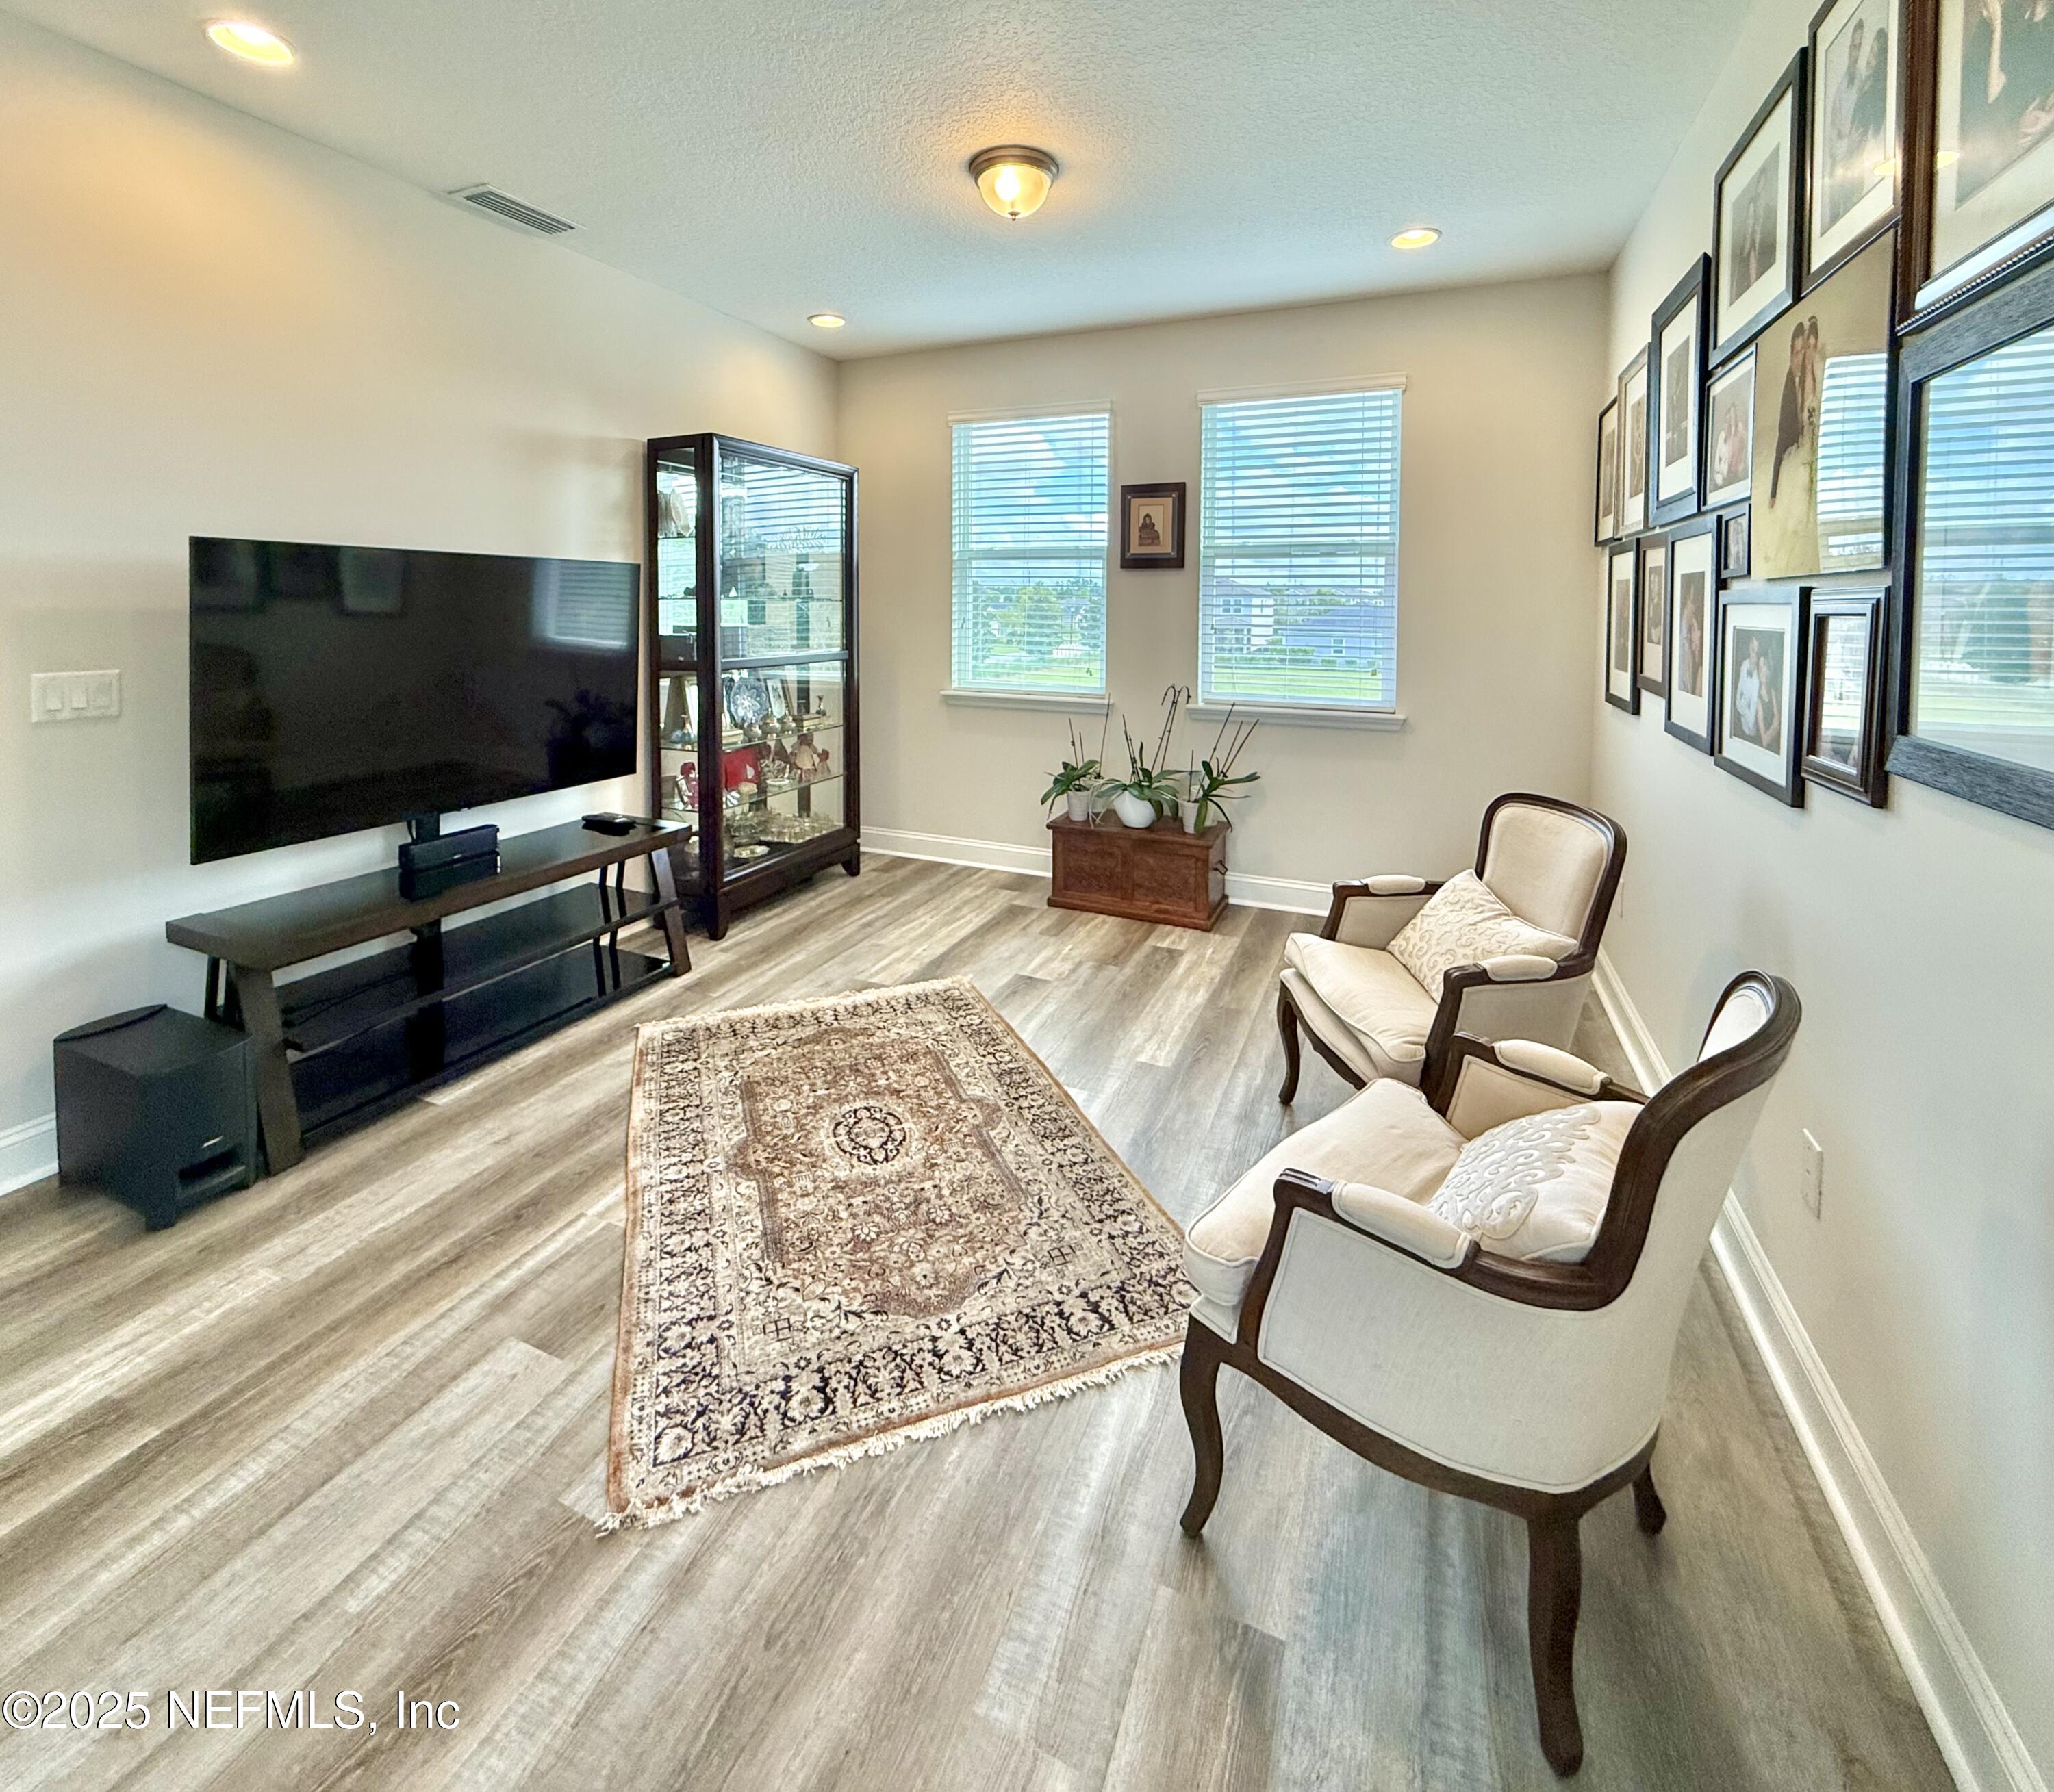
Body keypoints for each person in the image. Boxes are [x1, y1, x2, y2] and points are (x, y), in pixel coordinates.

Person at [1770, 320, 1808, 501]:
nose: (1799, 358)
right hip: (1790, 439)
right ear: (1791, 355)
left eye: (1803, 352)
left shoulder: (1807, 376)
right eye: (1796, 353)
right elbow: (1783, 437)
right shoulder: (1789, 385)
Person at [1735, 636, 1762, 742]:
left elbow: (1755, 703)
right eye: (1752, 646)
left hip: (1754, 731)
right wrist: (1744, 710)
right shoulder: (1744, 665)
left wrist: (1743, 708)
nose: (1753, 652)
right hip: (1742, 725)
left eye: (1756, 649)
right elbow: (1738, 701)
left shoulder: (1760, 673)